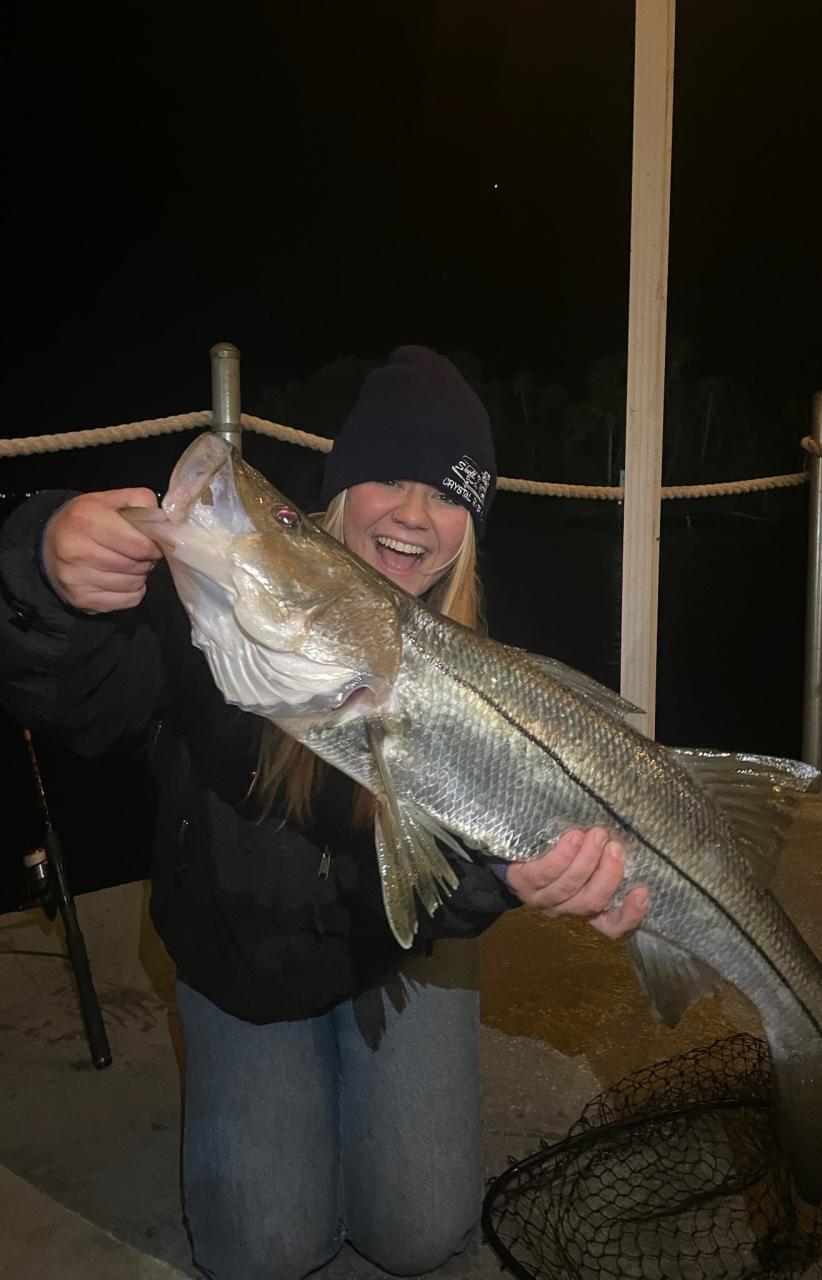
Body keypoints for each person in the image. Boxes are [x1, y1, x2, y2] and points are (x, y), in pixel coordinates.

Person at [0, 345, 649, 1279]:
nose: (417, 515)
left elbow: (440, 879)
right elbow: (71, 699)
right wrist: (44, 569)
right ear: (339, 492)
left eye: (451, 493)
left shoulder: (465, 666)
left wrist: (508, 877)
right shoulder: (208, 618)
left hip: (395, 950)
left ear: (472, 525)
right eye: (389, 476)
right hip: (243, 968)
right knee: (262, 1252)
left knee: (421, 1233)